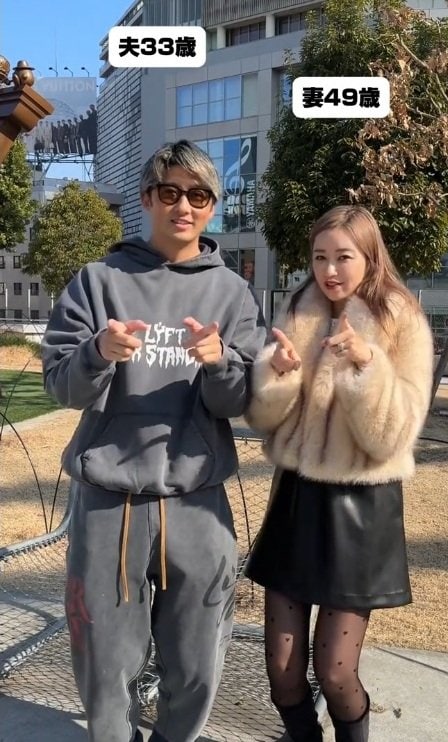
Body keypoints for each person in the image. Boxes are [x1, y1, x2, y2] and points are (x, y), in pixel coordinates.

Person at [41, 139, 267, 742]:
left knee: (197, 657)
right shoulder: (98, 282)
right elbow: (61, 385)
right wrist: (98, 351)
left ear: (213, 205)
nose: (183, 206)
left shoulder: (232, 294)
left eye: (198, 195)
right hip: (108, 501)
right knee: (104, 659)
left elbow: (238, 401)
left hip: (197, 499)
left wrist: (220, 363)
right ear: (147, 198)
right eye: (170, 192)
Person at [244, 205, 433, 741]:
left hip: (361, 510)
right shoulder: (299, 308)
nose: (329, 270)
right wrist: (277, 375)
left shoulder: (401, 319)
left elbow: (392, 437)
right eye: (320, 256)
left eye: (343, 257)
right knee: (282, 672)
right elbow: (264, 419)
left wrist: (367, 365)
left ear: (370, 257)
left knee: (335, 671)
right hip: (296, 501)